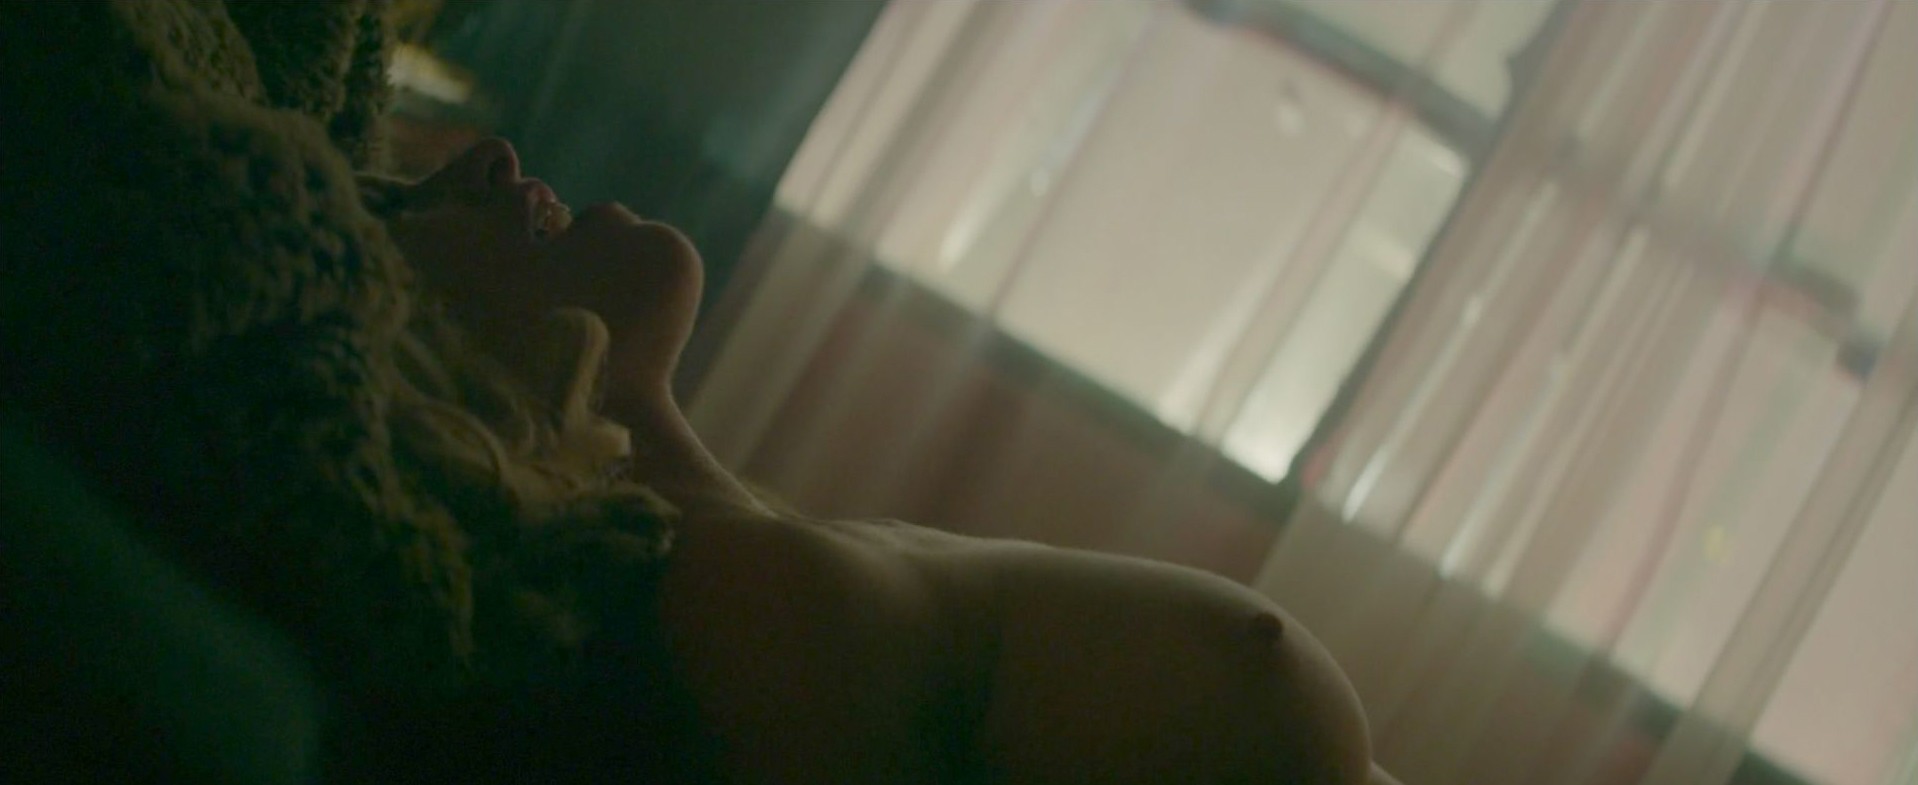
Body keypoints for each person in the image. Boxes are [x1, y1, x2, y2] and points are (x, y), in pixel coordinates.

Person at [375, 138, 1385, 785]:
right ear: (412, 331)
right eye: (408, 205)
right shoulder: (713, 604)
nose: (486, 159)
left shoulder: (728, 534)